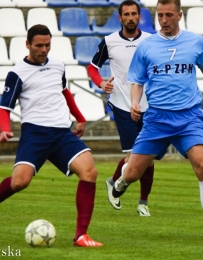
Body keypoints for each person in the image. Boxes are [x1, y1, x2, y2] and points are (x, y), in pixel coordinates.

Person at [112, 0, 203, 241]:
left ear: (180, 15)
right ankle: (121, 181)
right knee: (133, 173)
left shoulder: (196, 42)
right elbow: (137, 81)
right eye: (160, 15)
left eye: (168, 15)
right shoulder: (146, 47)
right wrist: (135, 102)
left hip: (189, 117)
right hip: (156, 119)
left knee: (202, 165)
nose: (163, 20)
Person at [0, 24, 102, 247]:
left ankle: (81, 236)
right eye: (39, 45)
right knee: (19, 182)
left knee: (89, 171)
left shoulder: (57, 65)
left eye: (47, 45)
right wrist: (4, 128)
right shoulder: (17, 73)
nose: (44, 49)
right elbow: (4, 107)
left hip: (61, 133)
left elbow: (64, 92)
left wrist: (80, 117)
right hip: (35, 133)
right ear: (27, 44)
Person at [87, 0, 154, 216]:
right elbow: (92, 67)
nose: (131, 17)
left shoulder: (150, 41)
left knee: (148, 157)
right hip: (122, 105)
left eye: (134, 13)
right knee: (136, 157)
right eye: (127, 14)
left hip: (148, 106)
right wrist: (101, 83)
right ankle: (117, 185)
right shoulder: (109, 41)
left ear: (139, 16)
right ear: (120, 18)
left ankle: (141, 201)